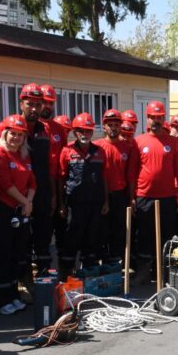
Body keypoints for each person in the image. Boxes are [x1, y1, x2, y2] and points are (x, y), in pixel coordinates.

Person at [132, 101, 178, 280]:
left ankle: (163, 271)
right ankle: (143, 271)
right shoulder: (138, 141)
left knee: (167, 235)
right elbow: (132, 171)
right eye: (152, 117)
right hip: (144, 196)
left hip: (168, 197)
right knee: (144, 235)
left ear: (164, 118)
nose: (156, 120)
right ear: (146, 119)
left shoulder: (172, 142)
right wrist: (131, 197)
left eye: (159, 117)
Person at [0, 115, 36, 315]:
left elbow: (33, 182)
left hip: (21, 210)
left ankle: (13, 295)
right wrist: (25, 201)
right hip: (4, 210)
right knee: (3, 253)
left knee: (17, 254)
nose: (16, 138)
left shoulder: (24, 155)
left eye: (20, 135)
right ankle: (1, 299)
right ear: (5, 134)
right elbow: (5, 183)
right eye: (13, 134)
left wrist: (29, 201)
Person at [57, 113, 108, 278]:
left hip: (96, 204)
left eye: (87, 131)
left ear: (92, 132)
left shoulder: (100, 152)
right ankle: (67, 273)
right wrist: (61, 204)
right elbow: (60, 179)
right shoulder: (67, 151)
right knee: (72, 238)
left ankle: (89, 272)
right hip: (75, 205)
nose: (84, 134)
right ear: (74, 132)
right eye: (80, 131)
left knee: (92, 239)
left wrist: (106, 202)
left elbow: (104, 178)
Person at [15, 83, 55, 279]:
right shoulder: (12, 127)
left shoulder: (45, 130)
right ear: (21, 103)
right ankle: (23, 280)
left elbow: (49, 165)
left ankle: (43, 279)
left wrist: (53, 194)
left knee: (43, 235)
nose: (34, 108)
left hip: (41, 192)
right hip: (18, 194)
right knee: (21, 238)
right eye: (29, 104)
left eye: (38, 105)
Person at [95, 109, 136, 263]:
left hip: (120, 195)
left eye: (116, 125)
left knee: (120, 230)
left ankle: (117, 263)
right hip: (101, 196)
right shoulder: (97, 147)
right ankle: (102, 263)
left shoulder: (128, 148)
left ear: (120, 126)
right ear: (104, 126)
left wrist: (131, 198)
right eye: (110, 125)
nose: (113, 128)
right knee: (101, 230)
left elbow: (130, 176)